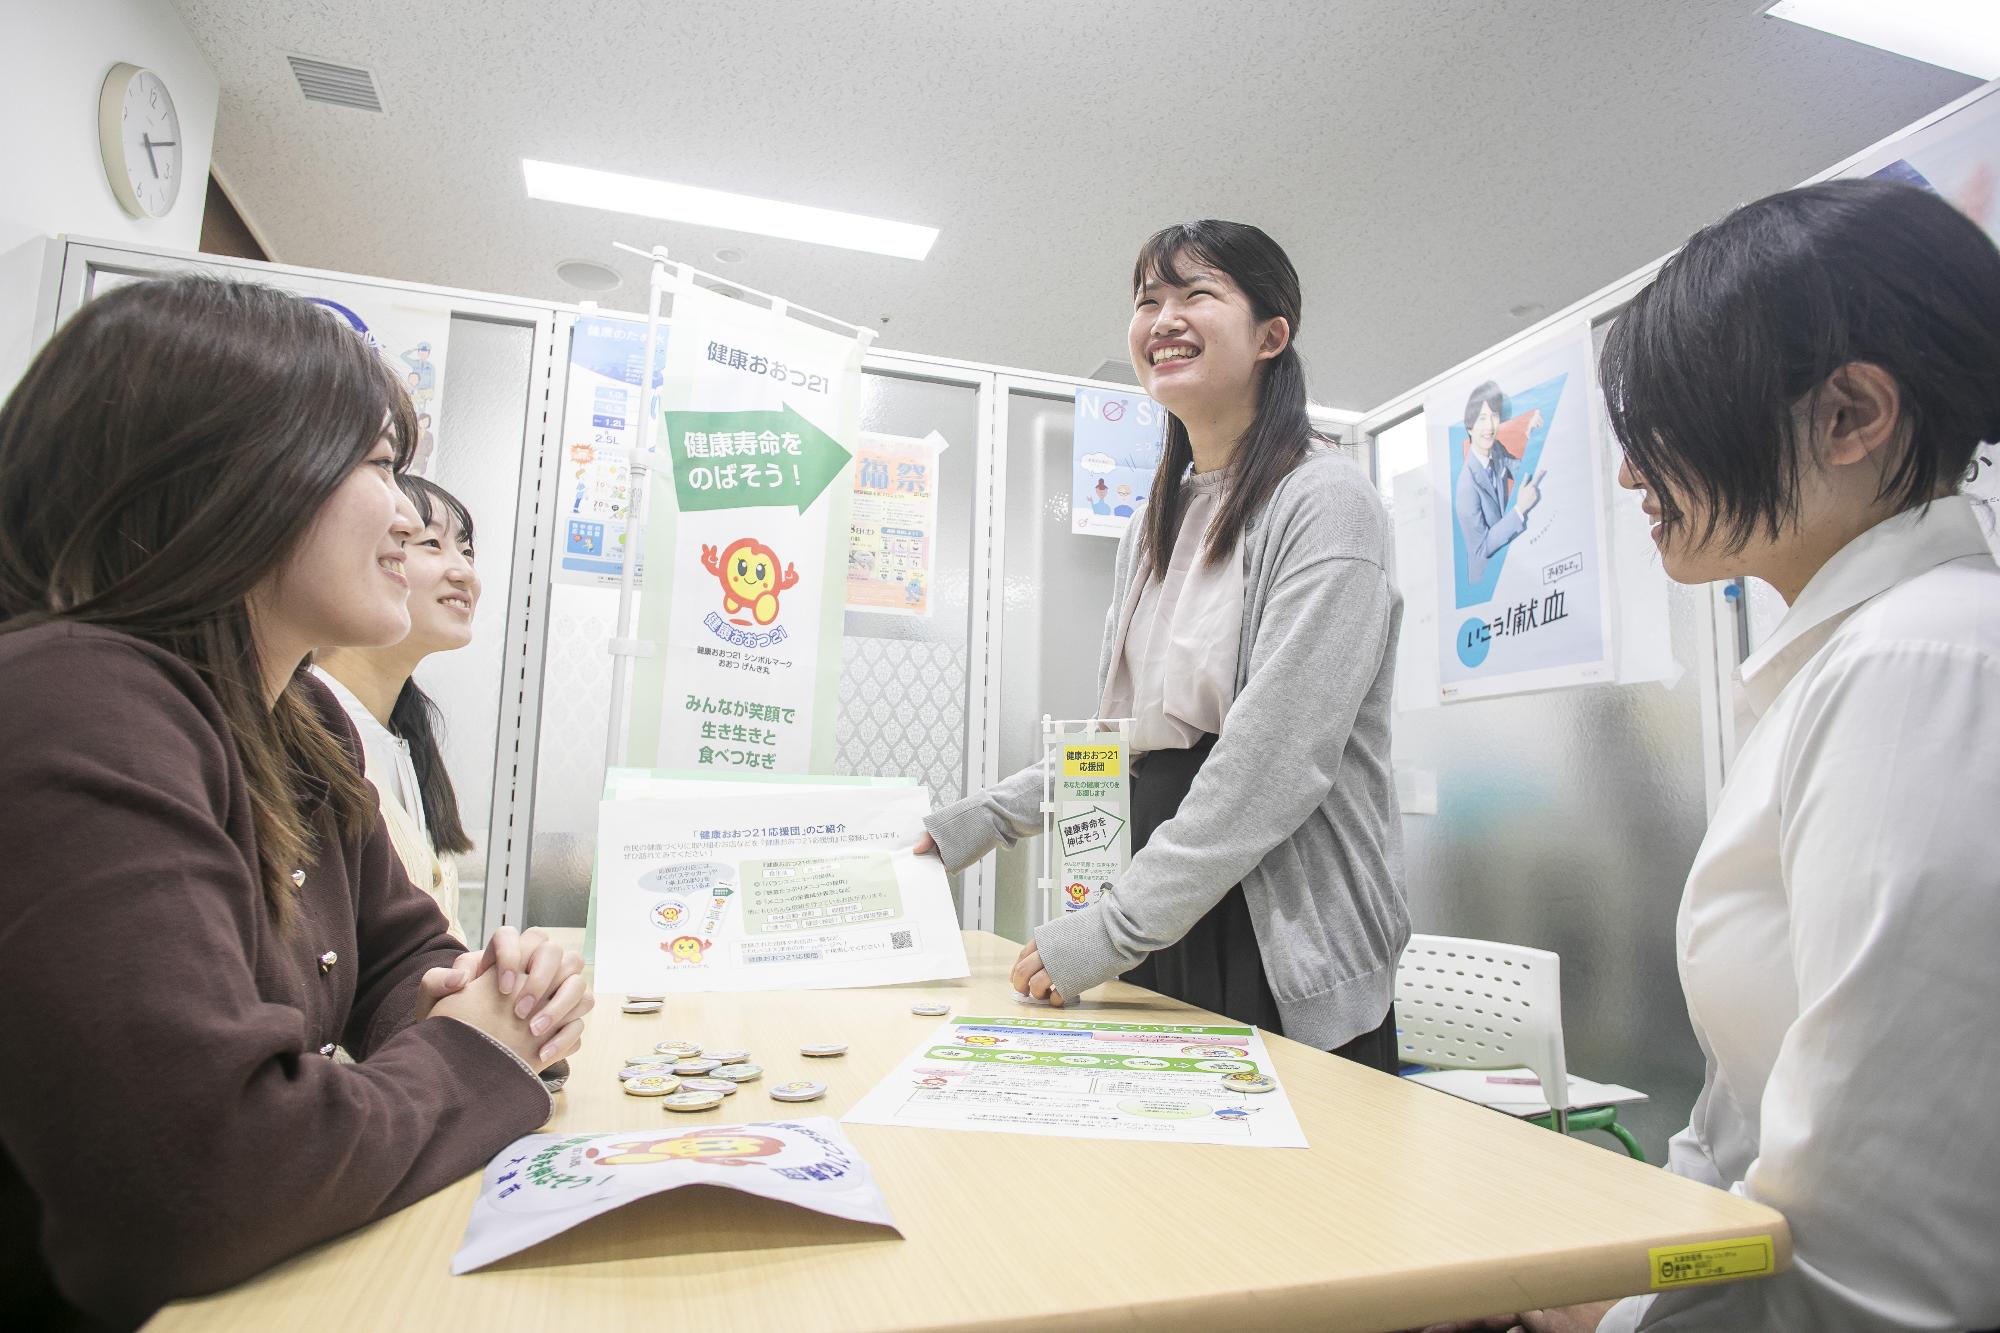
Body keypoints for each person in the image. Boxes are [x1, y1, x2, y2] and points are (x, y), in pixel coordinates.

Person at [1430, 178, 2000, 1333]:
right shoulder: (1835, 668)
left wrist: (1607, 1312)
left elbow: (1884, 1271)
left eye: (1664, 422)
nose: (1628, 475)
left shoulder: (1917, 664)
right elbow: (1744, 1123)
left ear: (1848, 413)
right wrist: (1616, 1266)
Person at [0, 275, 593, 1329]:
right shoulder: (77, 699)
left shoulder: (295, 720)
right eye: (379, 465)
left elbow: (407, 954)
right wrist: (479, 1048)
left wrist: (478, 993)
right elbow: (202, 1175)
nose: (409, 517)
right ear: (232, 475)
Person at [919, 220, 1409, 1067]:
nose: (1164, 318)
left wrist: (1110, 927)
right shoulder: (1154, 522)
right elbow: (1123, 745)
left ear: (1271, 336)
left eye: (1196, 294)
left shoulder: (1326, 500)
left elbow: (1271, 761)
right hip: (1164, 902)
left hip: (1275, 931)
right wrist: (974, 823)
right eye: (1148, 300)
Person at [314, 473, 481, 941]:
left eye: (467, 551)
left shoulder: (401, 736)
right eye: (431, 544)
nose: (465, 573)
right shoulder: (311, 730)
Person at [1452, 380, 1543, 586]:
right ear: (1470, 427)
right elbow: (1480, 549)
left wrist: (1533, 435)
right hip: (1487, 583)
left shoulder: (1496, 449)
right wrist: (1519, 510)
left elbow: (1522, 471)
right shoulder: (1466, 486)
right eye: (1482, 418)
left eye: (1494, 417)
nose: (1489, 426)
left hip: (1509, 567)